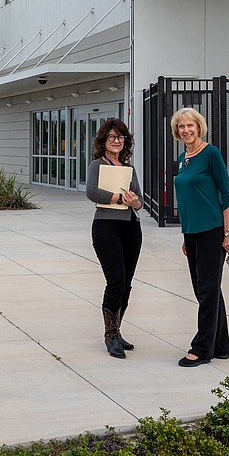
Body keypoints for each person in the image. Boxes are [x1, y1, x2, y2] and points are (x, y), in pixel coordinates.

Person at [171, 107, 229, 368]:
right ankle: (221, 346)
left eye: (190, 125)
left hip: (211, 230)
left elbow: (226, 194)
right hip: (192, 232)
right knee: (207, 289)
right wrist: (186, 235)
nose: (186, 130)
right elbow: (187, 200)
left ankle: (202, 348)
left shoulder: (210, 153)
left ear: (199, 127)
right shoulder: (183, 158)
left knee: (207, 290)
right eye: (181, 127)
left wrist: (228, 233)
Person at [85, 118, 143, 359]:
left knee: (127, 283)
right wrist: (120, 199)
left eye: (120, 137)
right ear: (103, 141)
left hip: (131, 228)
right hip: (106, 228)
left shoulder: (128, 168)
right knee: (115, 281)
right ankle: (110, 335)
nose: (116, 141)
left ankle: (117, 331)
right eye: (112, 137)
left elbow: (139, 200)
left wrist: (133, 202)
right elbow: (92, 192)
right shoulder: (97, 165)